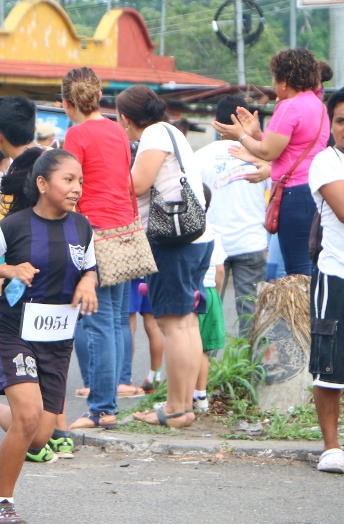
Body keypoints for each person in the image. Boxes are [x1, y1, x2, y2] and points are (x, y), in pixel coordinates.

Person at [0, 148, 98, 524]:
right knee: (29, 416)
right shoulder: (15, 226)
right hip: (15, 331)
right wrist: (8, 268)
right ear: (42, 183)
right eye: (68, 180)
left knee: (38, 437)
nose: (76, 189)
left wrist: (87, 283)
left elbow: (90, 269)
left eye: (80, 181)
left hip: (57, 338)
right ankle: (0, 502)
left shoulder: (82, 227)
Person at [117, 85, 214, 429]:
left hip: (172, 241)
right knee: (185, 322)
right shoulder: (171, 130)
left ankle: (174, 409)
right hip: (196, 236)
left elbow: (138, 184)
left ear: (126, 118)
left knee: (172, 324)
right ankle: (183, 406)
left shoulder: (155, 134)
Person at [61, 67, 140, 429]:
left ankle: (102, 409)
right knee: (115, 319)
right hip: (126, 228)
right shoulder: (117, 130)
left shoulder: (75, 135)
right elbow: (126, 181)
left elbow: (70, 190)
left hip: (95, 231)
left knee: (98, 322)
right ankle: (109, 400)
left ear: (67, 102)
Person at [213, 48, 331, 276]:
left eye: (274, 79)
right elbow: (287, 147)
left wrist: (240, 135)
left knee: (297, 270)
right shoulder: (318, 106)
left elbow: (267, 152)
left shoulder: (289, 106)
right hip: (315, 190)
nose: (274, 86)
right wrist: (256, 135)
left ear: (284, 81)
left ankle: (301, 313)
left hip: (293, 194)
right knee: (311, 264)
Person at [195, 96, 271, 336]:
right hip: (252, 243)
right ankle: (250, 371)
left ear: (215, 123)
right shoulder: (263, 157)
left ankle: (206, 371)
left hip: (211, 248)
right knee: (251, 315)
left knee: (208, 314)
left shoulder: (199, 158)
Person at [306, 88, 344, 474]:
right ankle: (331, 446)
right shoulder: (325, 162)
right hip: (336, 276)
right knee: (330, 366)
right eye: (340, 120)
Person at [0, 97, 41, 315]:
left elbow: (3, 230)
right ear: (34, 128)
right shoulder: (57, 163)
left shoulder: (12, 178)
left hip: (23, 276)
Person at [192, 235, 227, 413]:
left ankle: (184, 396)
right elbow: (220, 271)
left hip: (192, 291)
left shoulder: (185, 227)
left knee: (188, 344)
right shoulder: (213, 232)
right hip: (211, 291)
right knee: (203, 349)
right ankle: (201, 395)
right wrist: (216, 296)